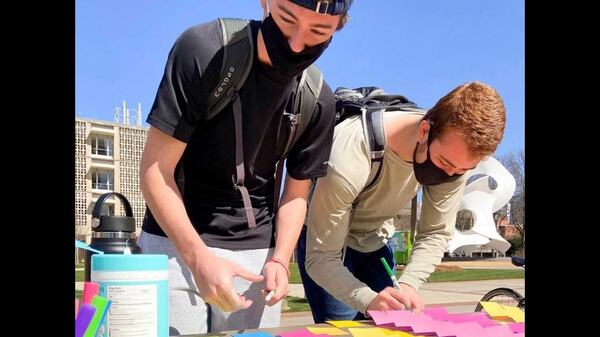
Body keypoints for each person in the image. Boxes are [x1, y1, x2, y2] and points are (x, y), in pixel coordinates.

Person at [137, 0, 353, 335]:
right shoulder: (205, 49)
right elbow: (155, 170)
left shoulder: (319, 99)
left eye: (319, 31)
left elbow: (296, 195)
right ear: (267, 2)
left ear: (339, 26)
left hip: (257, 259)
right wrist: (197, 258)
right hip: (174, 244)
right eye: (286, 19)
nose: (296, 43)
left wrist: (280, 259)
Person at [297, 81, 507, 322]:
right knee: (344, 328)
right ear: (424, 131)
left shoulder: (455, 156)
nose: (450, 176)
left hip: (374, 240)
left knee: (394, 323)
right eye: (445, 163)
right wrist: (368, 300)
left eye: (463, 170)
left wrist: (408, 285)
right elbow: (321, 258)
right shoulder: (349, 155)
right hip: (328, 244)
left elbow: (436, 232)